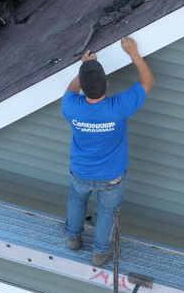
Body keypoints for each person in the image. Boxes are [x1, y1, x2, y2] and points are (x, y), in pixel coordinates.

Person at [61, 37, 154, 267]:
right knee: (107, 211)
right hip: (111, 176)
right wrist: (133, 52)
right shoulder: (119, 107)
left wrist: (84, 66)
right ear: (108, 83)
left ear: (83, 87)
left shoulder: (70, 105)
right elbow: (148, 81)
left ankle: (73, 239)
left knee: (76, 199)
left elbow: (71, 89)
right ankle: (100, 254)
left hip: (81, 172)